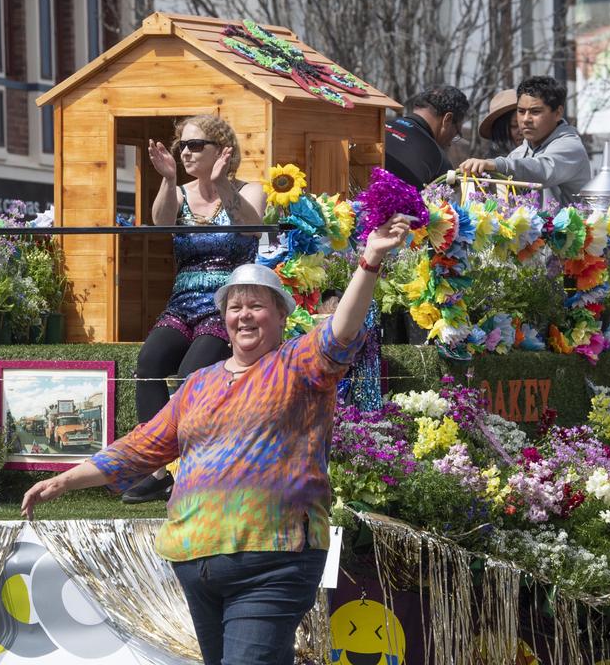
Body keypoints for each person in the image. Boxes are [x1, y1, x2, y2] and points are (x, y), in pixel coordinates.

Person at [22, 215, 412, 665]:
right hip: (197, 563)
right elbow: (142, 445)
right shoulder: (198, 383)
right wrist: (65, 481)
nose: (244, 315)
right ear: (223, 319)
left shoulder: (299, 364)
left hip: (274, 559)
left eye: (257, 305)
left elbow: (341, 331)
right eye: (234, 307)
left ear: (282, 315)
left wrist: (369, 263)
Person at [120, 115, 265, 504]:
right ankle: (156, 468)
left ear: (222, 151)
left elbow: (251, 228)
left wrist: (220, 186)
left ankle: (193, 468)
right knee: (149, 363)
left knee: (189, 376)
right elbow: (161, 223)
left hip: (228, 306)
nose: (186, 152)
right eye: (182, 145)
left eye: (196, 145)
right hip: (183, 301)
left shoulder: (250, 190)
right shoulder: (180, 193)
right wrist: (167, 180)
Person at [459, 76, 592, 206]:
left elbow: (542, 170)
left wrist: (496, 165)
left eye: (535, 112)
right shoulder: (517, 154)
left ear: (558, 113)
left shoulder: (570, 147)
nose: (526, 119)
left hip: (568, 229)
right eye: (521, 111)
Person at [383, 85, 470, 189]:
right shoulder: (440, 162)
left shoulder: (377, 127)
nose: (450, 144)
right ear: (447, 119)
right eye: (456, 133)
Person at [479, 88, 524, 158]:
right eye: (514, 125)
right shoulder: (492, 165)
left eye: (526, 124)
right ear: (500, 132)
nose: (522, 131)